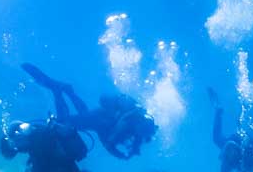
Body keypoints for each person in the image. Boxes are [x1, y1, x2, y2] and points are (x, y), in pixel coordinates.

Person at [22, 63, 158, 159]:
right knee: (65, 121)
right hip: (100, 121)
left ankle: (69, 91)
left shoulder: (137, 125)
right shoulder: (128, 122)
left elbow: (117, 139)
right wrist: (118, 153)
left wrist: (128, 151)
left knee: (84, 116)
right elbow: (109, 142)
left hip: (100, 120)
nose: (142, 135)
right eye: (143, 132)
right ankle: (57, 90)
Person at [207, 87, 253, 172]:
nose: (244, 171)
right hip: (233, 143)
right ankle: (219, 111)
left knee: (217, 139)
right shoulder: (248, 159)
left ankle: (218, 111)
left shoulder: (251, 160)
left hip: (235, 144)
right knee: (217, 139)